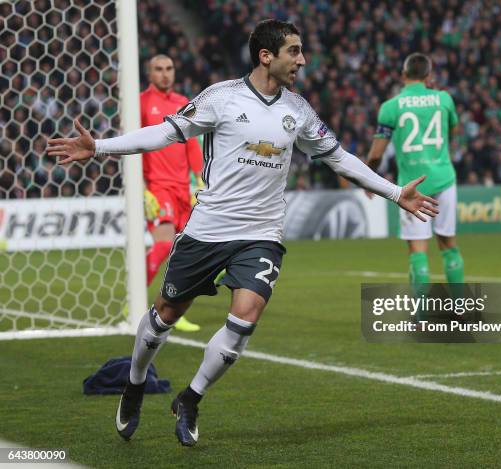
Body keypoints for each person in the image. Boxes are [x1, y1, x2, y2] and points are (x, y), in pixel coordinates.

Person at [47, 20, 439, 447]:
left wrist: (395, 192)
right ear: (266, 56)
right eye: (294, 51)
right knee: (165, 316)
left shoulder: (299, 110)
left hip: (262, 233)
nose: (303, 60)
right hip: (208, 229)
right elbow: (164, 133)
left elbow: (340, 158)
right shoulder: (221, 98)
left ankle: (191, 398)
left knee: (245, 318)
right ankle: (135, 382)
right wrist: (100, 147)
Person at [366, 53, 464, 308]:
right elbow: (453, 130)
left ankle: (421, 317)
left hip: (412, 187)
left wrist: (369, 178)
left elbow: (376, 153)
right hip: (444, 178)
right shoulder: (444, 99)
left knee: (418, 252)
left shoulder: (391, 106)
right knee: (448, 245)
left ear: (403, 75)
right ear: (429, 76)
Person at [140, 54, 204, 332]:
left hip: (183, 188)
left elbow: (192, 145)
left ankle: (173, 310)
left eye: (169, 68)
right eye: (159, 69)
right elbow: (135, 145)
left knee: (186, 253)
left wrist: (201, 183)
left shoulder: (182, 103)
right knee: (164, 244)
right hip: (157, 186)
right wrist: (142, 189)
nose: (165, 74)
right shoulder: (141, 104)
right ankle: (134, 301)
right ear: (149, 73)